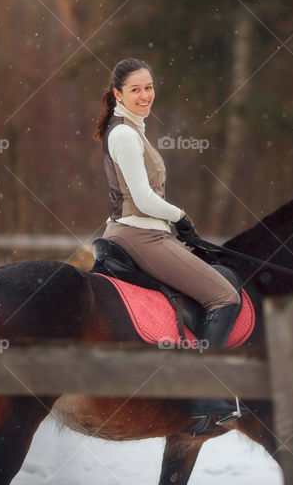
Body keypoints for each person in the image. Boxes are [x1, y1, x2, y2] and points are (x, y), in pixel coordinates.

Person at [94, 58, 242, 430]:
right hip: (140, 234)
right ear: (117, 94)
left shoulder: (131, 129)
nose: (145, 95)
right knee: (225, 296)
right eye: (135, 89)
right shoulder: (125, 134)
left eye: (149, 87)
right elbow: (143, 199)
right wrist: (180, 217)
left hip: (143, 230)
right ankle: (200, 392)